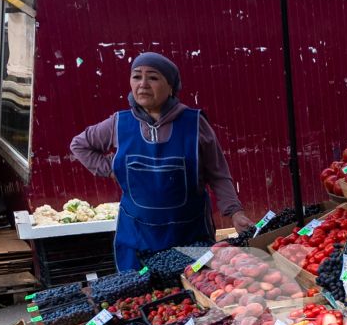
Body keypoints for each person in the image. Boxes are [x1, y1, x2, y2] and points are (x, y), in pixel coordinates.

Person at [69, 51, 252, 271]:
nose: (143, 84)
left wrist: (235, 212)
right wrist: (111, 169)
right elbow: (79, 145)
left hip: (189, 235)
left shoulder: (194, 124)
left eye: (153, 77)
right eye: (137, 77)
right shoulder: (118, 124)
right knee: (139, 299)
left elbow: (218, 174)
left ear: (171, 86)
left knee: (191, 296)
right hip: (137, 236)